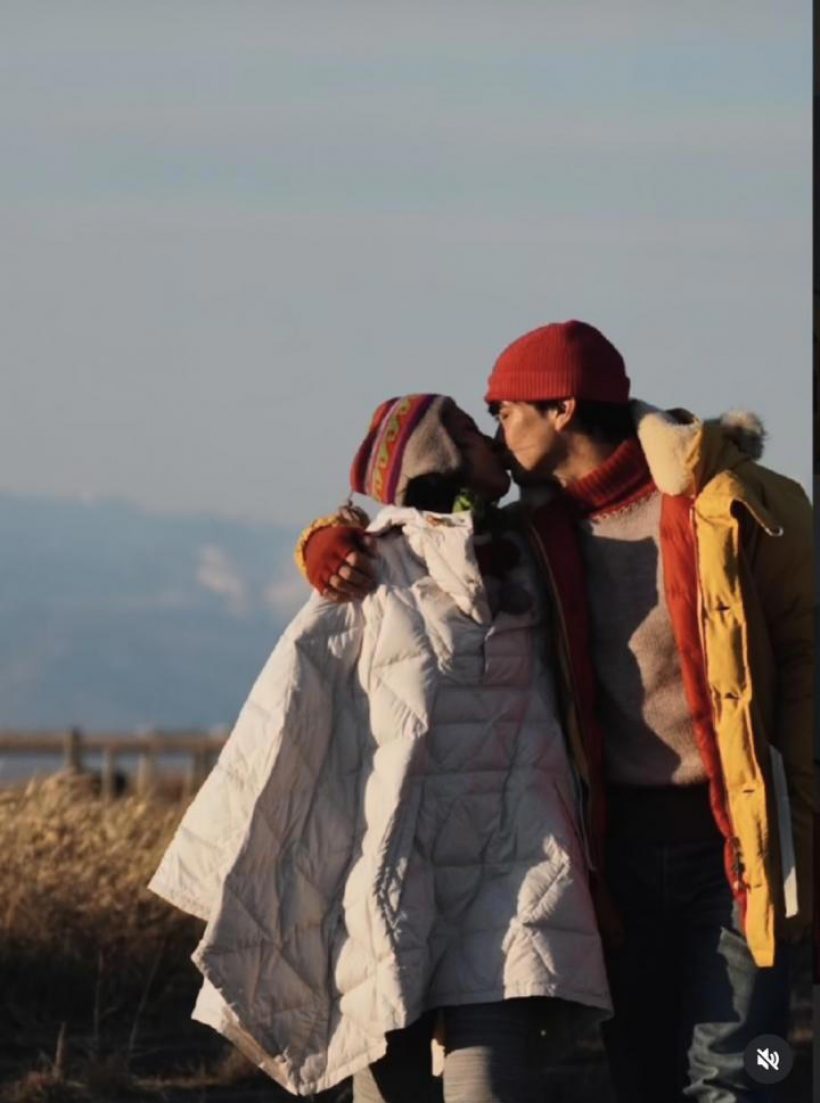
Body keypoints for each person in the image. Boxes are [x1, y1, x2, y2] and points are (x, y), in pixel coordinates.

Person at [301, 322, 813, 1102]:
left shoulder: (730, 503)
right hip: (616, 857)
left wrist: (803, 819)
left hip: (737, 844)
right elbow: (415, 540)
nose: (498, 435)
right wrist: (325, 539)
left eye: (505, 411)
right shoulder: (530, 534)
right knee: (644, 1076)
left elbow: (810, 649)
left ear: (564, 407)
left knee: (744, 1071)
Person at [150, 392, 611, 1102]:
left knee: (488, 1086)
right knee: (388, 1089)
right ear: (442, 458)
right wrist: (323, 543)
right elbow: (283, 715)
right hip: (398, 876)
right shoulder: (372, 570)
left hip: (516, 870)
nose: (493, 436)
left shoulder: (536, 551)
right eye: (469, 432)